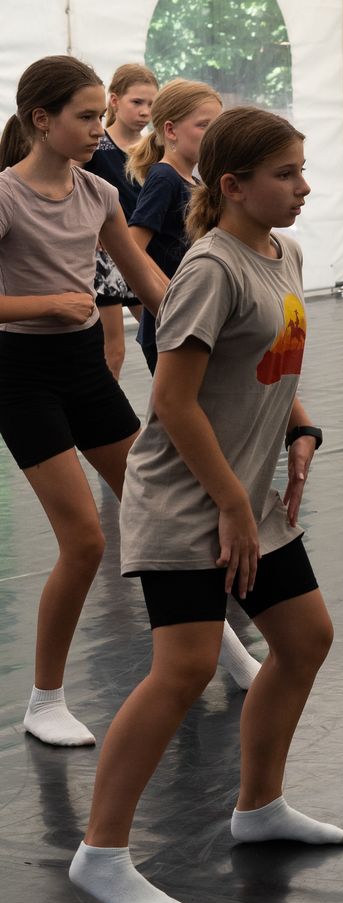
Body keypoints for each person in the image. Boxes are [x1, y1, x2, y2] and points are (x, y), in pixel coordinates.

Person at [69, 106, 343, 903]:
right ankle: (101, 854)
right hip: (186, 501)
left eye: (302, 170)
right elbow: (172, 399)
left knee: (305, 638)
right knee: (184, 669)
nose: (304, 187)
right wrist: (230, 503)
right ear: (233, 185)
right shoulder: (209, 269)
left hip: (245, 494)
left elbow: (271, 361)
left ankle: (259, 806)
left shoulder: (284, 254)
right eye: (286, 174)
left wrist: (299, 428)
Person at [0, 57, 167, 747]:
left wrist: (211, 317)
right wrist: (47, 304)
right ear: (42, 120)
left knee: (160, 512)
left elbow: (145, 279)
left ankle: (212, 643)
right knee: (86, 541)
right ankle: (44, 700)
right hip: (20, 375)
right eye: (88, 116)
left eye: (102, 115)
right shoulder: (6, 196)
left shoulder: (99, 192)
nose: (102, 128)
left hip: (83, 368)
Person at [127, 78, 222, 372]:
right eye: (204, 126)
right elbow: (132, 246)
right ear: (171, 130)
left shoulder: (194, 182)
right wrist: (169, 293)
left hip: (191, 315)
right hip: (170, 325)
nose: (213, 136)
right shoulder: (164, 177)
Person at [88, 62, 157, 379]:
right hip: (105, 258)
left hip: (140, 253)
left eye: (151, 104)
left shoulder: (153, 148)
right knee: (113, 350)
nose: (145, 112)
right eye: (137, 102)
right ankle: (103, 408)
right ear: (114, 101)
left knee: (162, 331)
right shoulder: (97, 145)